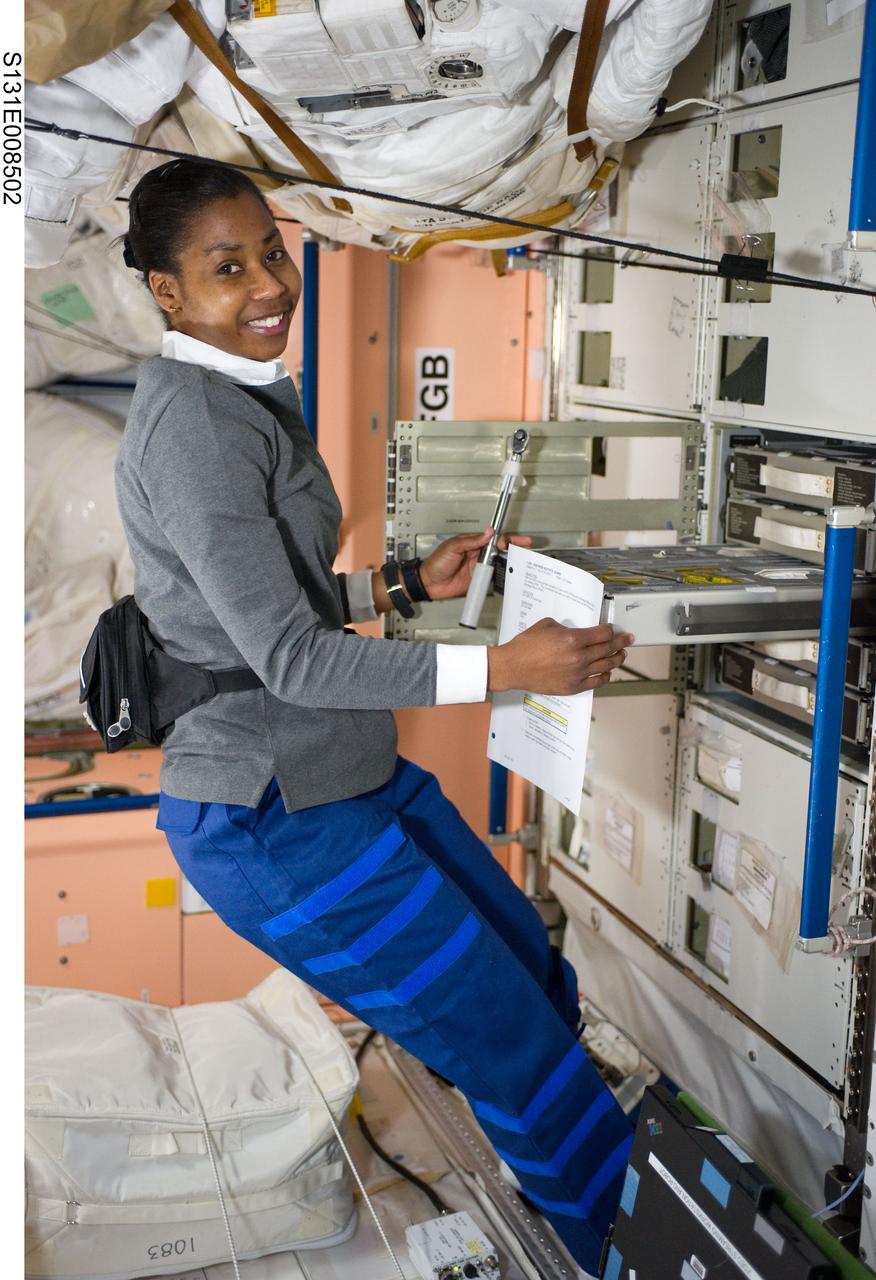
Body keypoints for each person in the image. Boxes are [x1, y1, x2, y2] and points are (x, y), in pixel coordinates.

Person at [115, 157, 635, 1273]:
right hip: (275, 818)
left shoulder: (242, 392)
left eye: (270, 252)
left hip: (343, 777)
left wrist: (404, 584)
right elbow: (291, 657)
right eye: (226, 266)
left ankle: (613, 1202)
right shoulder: (199, 428)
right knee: (510, 1043)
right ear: (166, 289)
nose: (268, 283)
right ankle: (629, 1247)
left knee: (534, 981)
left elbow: (258, 603)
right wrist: (503, 664)